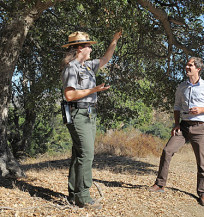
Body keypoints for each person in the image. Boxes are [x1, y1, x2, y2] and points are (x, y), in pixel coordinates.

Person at [61, 30, 122, 209]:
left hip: (89, 114)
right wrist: (93, 90)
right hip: (79, 114)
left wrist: (114, 40)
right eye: (88, 45)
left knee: (79, 154)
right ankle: (83, 197)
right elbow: (70, 94)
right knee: (87, 154)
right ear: (80, 48)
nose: (91, 48)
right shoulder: (71, 67)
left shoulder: (87, 66)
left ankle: (73, 193)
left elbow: (105, 59)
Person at [148, 57, 204, 207]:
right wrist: (176, 124)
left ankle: (203, 193)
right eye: (187, 64)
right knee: (167, 151)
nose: (186, 67)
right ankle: (160, 184)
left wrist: (201, 109)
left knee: (202, 162)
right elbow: (177, 107)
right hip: (183, 126)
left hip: (200, 128)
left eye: (190, 65)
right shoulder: (181, 87)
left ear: (198, 69)